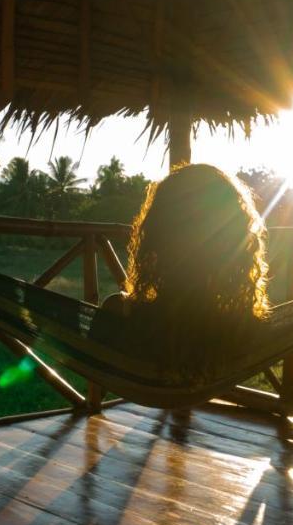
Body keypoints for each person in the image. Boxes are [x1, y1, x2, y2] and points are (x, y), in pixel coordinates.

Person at [93, 163, 271, 381]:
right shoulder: (245, 328)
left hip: (145, 366)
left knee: (113, 304)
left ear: (158, 233)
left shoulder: (122, 315)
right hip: (213, 349)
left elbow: (98, 362)